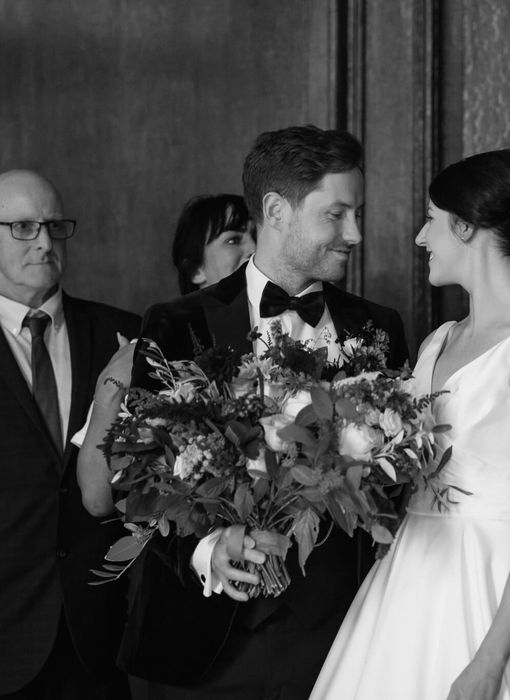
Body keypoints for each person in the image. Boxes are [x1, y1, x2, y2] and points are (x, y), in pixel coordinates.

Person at [117, 125, 409, 700]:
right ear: (276, 210)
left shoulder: (380, 328)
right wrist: (207, 548)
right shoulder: (178, 323)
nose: (355, 233)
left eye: (359, 213)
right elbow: (138, 473)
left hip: (339, 640)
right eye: (337, 214)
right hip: (204, 641)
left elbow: (395, 481)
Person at [311, 149, 510, 700]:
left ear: (466, 227)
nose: (420, 238)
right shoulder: (439, 340)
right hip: (410, 573)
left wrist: (490, 661)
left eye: (432, 221)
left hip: (496, 585)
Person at [0, 170, 140, 698]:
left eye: (54, 226)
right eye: (22, 226)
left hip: (100, 633)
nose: (43, 241)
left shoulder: (123, 335)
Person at [77, 193, 256, 516]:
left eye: (258, 237)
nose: (253, 250)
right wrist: (111, 385)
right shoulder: (154, 351)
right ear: (196, 269)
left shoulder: (289, 341)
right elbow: (96, 497)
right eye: (233, 240)